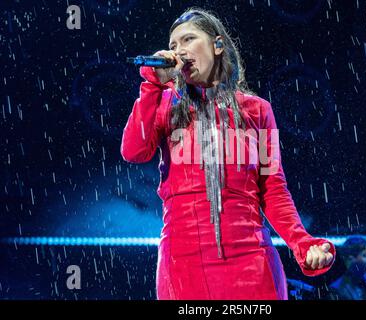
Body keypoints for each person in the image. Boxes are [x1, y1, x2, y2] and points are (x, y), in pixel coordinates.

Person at [121, 7, 335, 300]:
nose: (178, 51)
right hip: (183, 266)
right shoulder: (164, 105)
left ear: (217, 45)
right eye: (172, 46)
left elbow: (273, 189)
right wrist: (151, 86)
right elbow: (134, 151)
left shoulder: (257, 110)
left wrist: (302, 242)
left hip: (251, 263)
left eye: (188, 40)